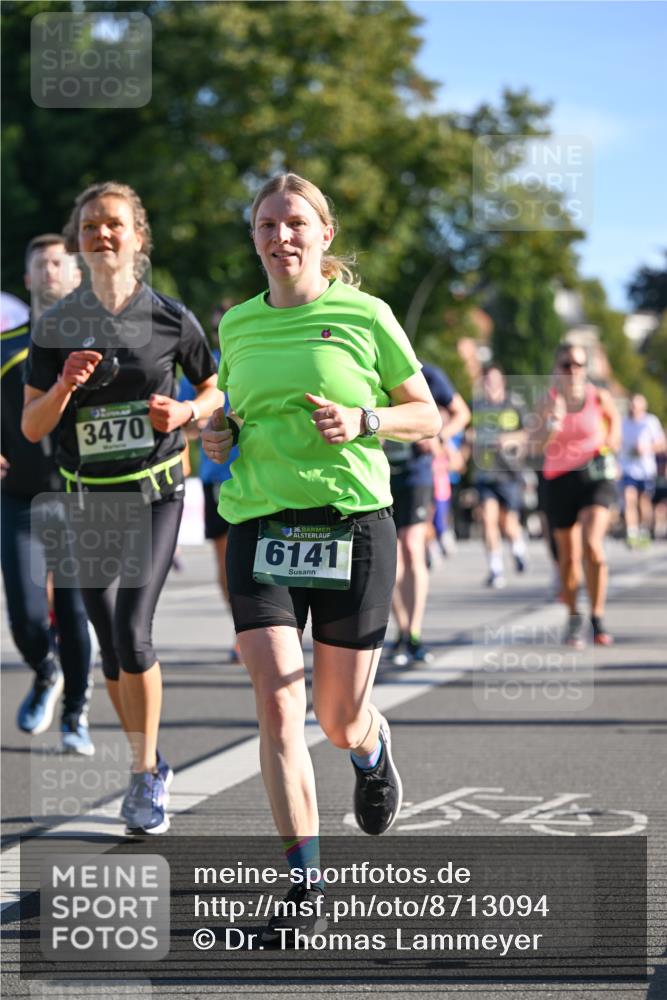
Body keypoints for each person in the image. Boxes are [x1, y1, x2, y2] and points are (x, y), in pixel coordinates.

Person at [202, 172, 441, 944]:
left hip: (350, 527)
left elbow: (427, 415)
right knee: (276, 699)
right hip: (260, 525)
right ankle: (302, 882)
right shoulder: (236, 324)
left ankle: (370, 751)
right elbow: (232, 415)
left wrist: (366, 416)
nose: (281, 237)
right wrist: (216, 437)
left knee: (335, 719)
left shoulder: (365, 316)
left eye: (295, 223)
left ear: (324, 234)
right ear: (255, 239)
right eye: (266, 225)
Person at [22, 182, 222, 833]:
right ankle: (150, 756)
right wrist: (64, 386)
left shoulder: (169, 316)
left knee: (135, 631)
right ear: (78, 242)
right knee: (110, 647)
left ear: (137, 236)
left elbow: (215, 387)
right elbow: (31, 427)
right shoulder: (54, 325)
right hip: (88, 501)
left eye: (113, 225)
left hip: (157, 492)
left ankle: (143, 774)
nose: (101, 236)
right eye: (89, 227)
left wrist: (187, 411)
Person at [1, 234, 95, 753]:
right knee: (27, 618)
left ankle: (75, 714)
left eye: (60, 262)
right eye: (41, 264)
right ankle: (45, 669)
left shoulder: (104, 338)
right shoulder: (6, 345)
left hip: (81, 496)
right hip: (19, 499)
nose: (51, 271)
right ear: (28, 280)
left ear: (77, 275)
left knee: (77, 611)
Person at [533, 343, 621, 648]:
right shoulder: (547, 401)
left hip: (595, 476)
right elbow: (536, 447)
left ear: (586, 368)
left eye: (578, 365)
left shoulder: (599, 396)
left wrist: (610, 444)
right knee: (568, 559)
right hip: (559, 480)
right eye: (566, 364)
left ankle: (597, 617)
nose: (573, 370)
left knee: (593, 546)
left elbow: (614, 423)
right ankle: (574, 617)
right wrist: (552, 426)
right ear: (556, 369)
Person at [384, 363, 469, 664]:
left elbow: (461, 412)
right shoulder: (367, 366)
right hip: (380, 473)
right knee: (389, 557)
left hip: (417, 473)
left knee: (411, 546)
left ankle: (415, 634)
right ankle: (403, 631)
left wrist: (439, 435)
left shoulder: (427, 373)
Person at [178, 302, 241, 660]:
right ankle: (242, 630)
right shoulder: (202, 370)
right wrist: (195, 421)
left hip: (259, 474)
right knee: (227, 560)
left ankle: (268, 628)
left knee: (254, 558)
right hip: (216, 477)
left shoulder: (257, 357)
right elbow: (181, 421)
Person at [471, 363, 529, 589]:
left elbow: (529, 432)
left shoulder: (514, 404)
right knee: (488, 518)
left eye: (494, 381)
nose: (490, 386)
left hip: (509, 471)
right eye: (487, 381)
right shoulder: (477, 406)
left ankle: (518, 548)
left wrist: (510, 439)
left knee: (508, 522)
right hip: (484, 472)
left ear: (502, 382)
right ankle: (495, 569)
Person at [619, 393, 666, 547]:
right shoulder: (624, 422)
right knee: (628, 498)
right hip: (628, 468)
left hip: (646, 469)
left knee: (643, 502)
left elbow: (662, 444)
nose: (633, 409)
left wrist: (646, 448)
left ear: (643, 407)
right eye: (631, 405)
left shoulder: (650, 422)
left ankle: (644, 531)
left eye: (636, 406)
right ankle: (632, 533)